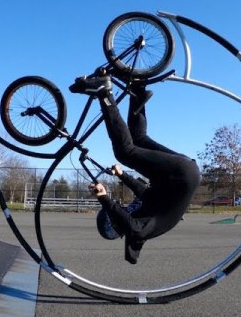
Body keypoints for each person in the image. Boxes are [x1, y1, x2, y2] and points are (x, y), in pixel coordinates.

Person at [69, 74, 201, 264]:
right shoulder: (140, 230)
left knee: (138, 138)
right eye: (116, 215)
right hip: (179, 176)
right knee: (125, 152)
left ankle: (137, 87)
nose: (122, 208)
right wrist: (104, 199)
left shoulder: (145, 213)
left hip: (182, 172)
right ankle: (104, 92)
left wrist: (122, 175)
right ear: (115, 225)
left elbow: (145, 193)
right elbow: (131, 226)